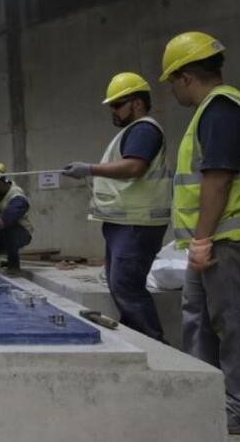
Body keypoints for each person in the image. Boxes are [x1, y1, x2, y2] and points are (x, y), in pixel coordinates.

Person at [160, 31, 240, 436]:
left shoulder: (222, 109)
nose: (173, 90)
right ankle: (206, 396)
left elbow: (218, 181)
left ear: (186, 76)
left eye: (172, 81)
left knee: (237, 322)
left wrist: (202, 240)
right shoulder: (214, 111)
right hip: (217, 238)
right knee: (198, 317)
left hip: (230, 237)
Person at [61, 72, 172, 343]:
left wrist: (89, 169)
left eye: (117, 104)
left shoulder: (144, 130)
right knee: (119, 283)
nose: (112, 111)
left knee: (126, 286)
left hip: (137, 223)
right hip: (125, 223)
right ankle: (139, 339)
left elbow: (134, 167)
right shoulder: (133, 132)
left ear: (136, 103)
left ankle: (153, 343)